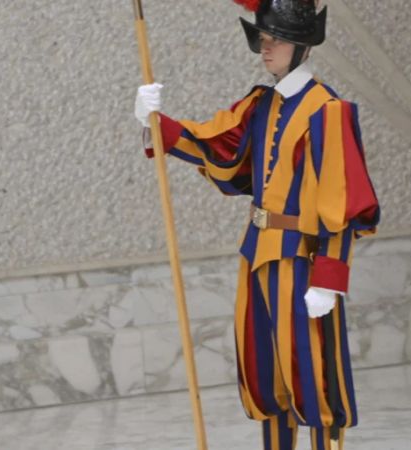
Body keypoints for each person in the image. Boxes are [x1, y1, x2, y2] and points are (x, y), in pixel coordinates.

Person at [133, 1, 380, 449]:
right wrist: (156, 124)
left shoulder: (328, 112)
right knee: (267, 379)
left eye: (277, 39)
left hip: (301, 262)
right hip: (256, 254)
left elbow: (342, 202)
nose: (266, 48)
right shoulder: (261, 105)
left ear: (302, 44)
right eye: (263, 39)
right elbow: (223, 150)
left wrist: (329, 277)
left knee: (315, 379)